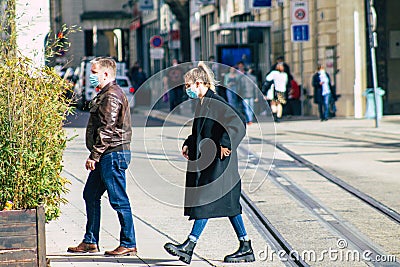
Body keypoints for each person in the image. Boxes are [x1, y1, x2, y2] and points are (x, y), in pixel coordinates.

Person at [163, 62, 255, 264]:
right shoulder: (203, 103)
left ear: (199, 83)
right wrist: (189, 143)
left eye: (188, 85)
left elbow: (237, 121)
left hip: (220, 163)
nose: (186, 90)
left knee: (205, 201)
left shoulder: (216, 101)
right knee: (230, 206)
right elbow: (202, 131)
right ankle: (246, 246)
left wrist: (224, 142)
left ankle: (189, 246)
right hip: (210, 161)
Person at [67, 57, 136, 256]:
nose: (91, 76)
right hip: (107, 153)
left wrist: (94, 156)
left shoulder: (111, 95)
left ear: (106, 74)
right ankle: (90, 241)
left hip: (112, 153)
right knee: (90, 194)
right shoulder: (106, 93)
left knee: (118, 198)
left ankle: (129, 242)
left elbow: (108, 128)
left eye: (94, 72)